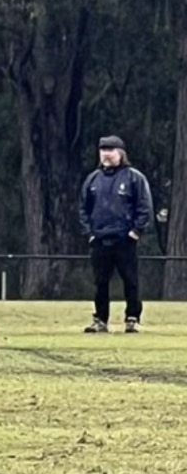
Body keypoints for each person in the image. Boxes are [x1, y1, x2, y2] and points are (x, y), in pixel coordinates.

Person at [79, 134, 153, 333]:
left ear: (120, 153)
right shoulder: (93, 179)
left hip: (125, 239)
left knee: (130, 280)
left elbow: (144, 207)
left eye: (110, 150)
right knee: (100, 282)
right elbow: (83, 209)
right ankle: (100, 320)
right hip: (100, 239)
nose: (106, 154)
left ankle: (132, 318)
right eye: (103, 150)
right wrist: (89, 233)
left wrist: (136, 231)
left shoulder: (134, 178)